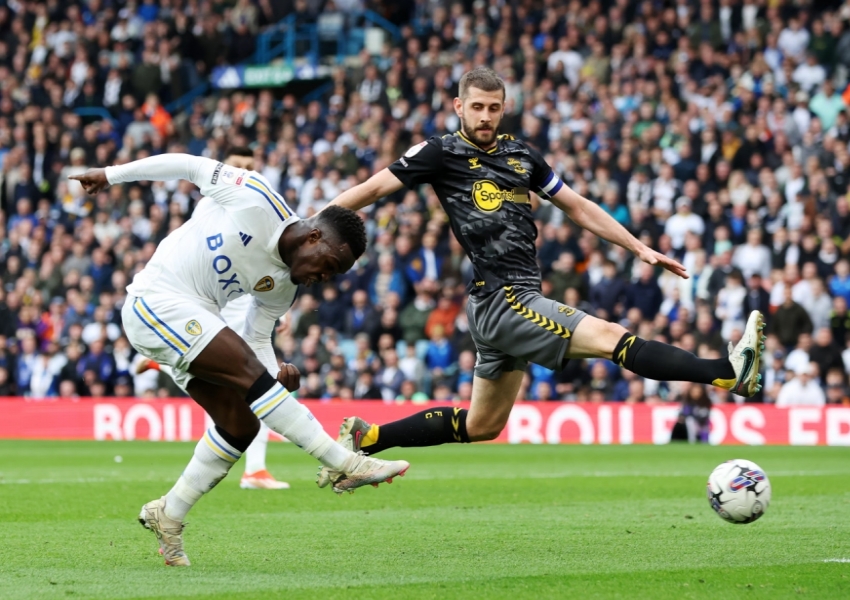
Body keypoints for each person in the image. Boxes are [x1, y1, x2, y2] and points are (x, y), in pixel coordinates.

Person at [319, 67, 765, 479]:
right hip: (504, 298)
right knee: (611, 337)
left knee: (482, 425)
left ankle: (368, 438)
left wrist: (638, 246)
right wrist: (310, 227)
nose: (485, 116)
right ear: (459, 107)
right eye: (476, 107)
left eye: (494, 107)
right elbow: (374, 187)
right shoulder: (441, 152)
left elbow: (577, 206)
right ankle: (725, 372)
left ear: (504, 107)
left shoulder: (521, 156)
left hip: (505, 303)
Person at [71, 153, 409, 567]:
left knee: (241, 423)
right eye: (330, 266)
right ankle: (344, 463)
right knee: (251, 381)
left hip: (193, 324)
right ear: (314, 237)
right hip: (154, 302)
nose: (325, 278)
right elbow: (189, 165)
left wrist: (270, 377)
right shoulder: (256, 197)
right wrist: (110, 173)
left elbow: (255, 340)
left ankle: (170, 512)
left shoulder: (283, 289)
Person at [134, 147, 290, 491]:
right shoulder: (214, 205)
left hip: (239, 313)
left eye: (251, 167)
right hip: (219, 316)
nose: (246, 172)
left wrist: (281, 309)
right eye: (238, 167)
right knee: (253, 389)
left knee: (246, 392)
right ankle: (255, 470)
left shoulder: (252, 209)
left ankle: (252, 468)